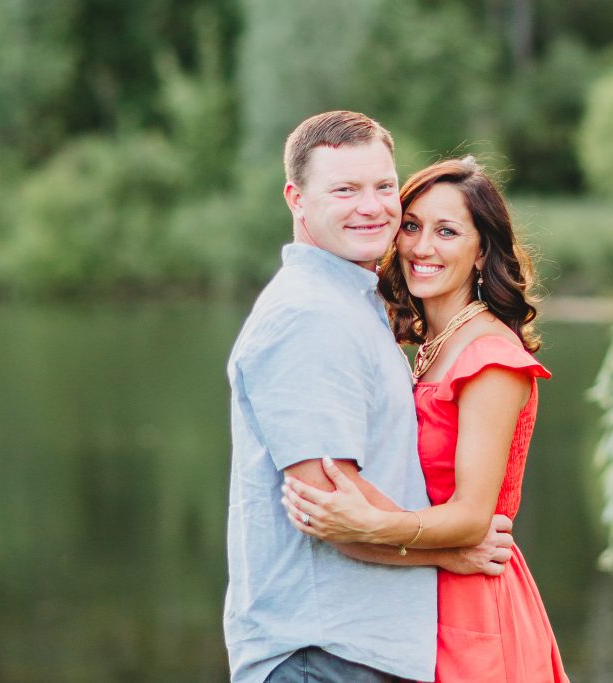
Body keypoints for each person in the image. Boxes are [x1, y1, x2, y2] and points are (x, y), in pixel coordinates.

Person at [224, 113, 515, 683]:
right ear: (297, 200)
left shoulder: (352, 303)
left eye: (384, 187)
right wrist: (449, 553)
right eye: (345, 190)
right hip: (320, 651)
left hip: (351, 650)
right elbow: (332, 509)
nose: (372, 207)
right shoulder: (309, 314)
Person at [283, 156, 571, 682]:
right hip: (420, 595)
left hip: (473, 606)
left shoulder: (490, 358)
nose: (421, 247)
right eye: (412, 226)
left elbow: (472, 518)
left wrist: (368, 525)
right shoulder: (426, 348)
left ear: (482, 251)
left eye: (447, 232)